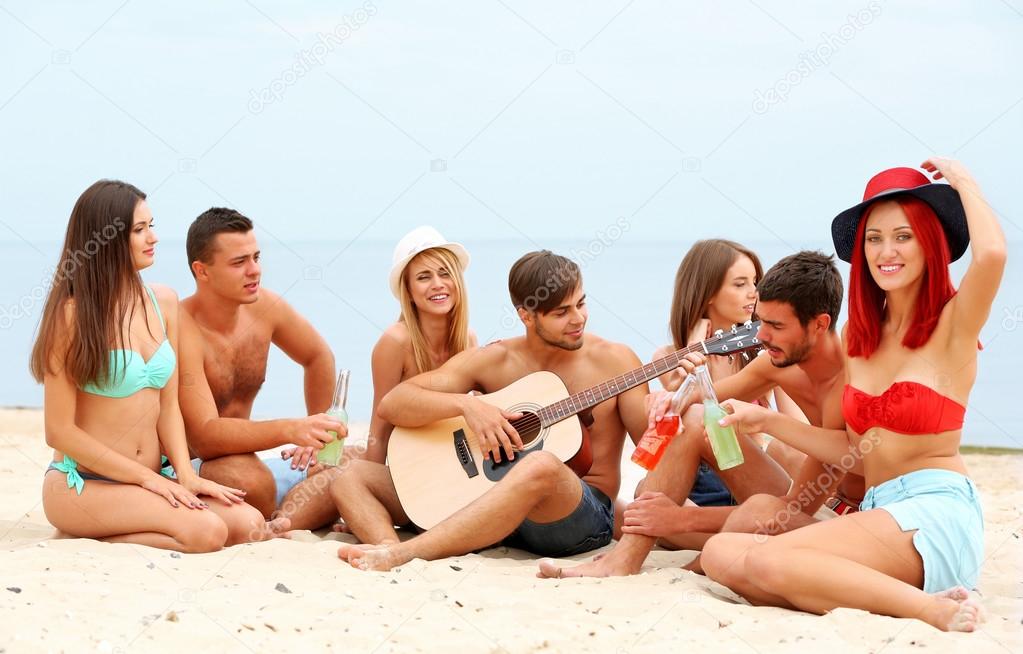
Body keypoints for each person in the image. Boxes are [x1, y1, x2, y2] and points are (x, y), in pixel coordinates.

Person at [701, 158, 1001, 632]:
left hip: (934, 509)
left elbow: (992, 258)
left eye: (904, 236)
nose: (888, 250)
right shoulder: (859, 341)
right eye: (875, 238)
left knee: (763, 564)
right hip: (880, 512)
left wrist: (962, 184)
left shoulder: (954, 325)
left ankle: (933, 610)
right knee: (721, 552)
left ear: (930, 243)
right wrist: (768, 422)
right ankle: (895, 595)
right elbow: (857, 454)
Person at [540, 250, 861, 577]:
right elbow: (707, 397)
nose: (761, 336)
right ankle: (625, 559)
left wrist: (681, 518)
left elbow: (798, 504)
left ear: (819, 325)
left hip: (845, 519)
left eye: (775, 326)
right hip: (804, 505)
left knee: (758, 510)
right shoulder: (775, 364)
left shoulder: (853, 382)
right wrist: (671, 399)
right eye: (761, 321)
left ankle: (687, 553)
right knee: (692, 418)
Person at [332, 250, 650, 570]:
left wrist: (680, 401)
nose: (578, 318)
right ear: (526, 315)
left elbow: (653, 450)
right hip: (487, 508)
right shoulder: (496, 359)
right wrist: (467, 405)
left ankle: (405, 553)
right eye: (561, 312)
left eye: (581, 304)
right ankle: (386, 546)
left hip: (576, 517)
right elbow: (394, 403)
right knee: (350, 474)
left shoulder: (617, 361)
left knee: (542, 464)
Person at [34, 180, 280, 552]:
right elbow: (60, 432)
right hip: (85, 483)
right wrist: (148, 481)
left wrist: (183, 474)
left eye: (151, 225)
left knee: (249, 524)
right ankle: (82, 531)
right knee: (206, 532)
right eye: (139, 230)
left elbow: (168, 407)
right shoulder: (71, 317)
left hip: (153, 475)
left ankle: (111, 527)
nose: (153, 238)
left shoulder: (163, 301)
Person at [176, 207, 343, 528]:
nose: (254, 271)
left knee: (351, 460)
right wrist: (290, 429)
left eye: (256, 257)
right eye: (239, 263)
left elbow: (318, 356)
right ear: (202, 271)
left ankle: (285, 519)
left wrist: (317, 440)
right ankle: (292, 508)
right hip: (196, 464)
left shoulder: (266, 307)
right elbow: (205, 436)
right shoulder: (182, 328)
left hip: (251, 456)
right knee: (252, 481)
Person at [648, 239, 793, 510]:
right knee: (639, 503)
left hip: (746, 479)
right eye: (740, 284)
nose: (754, 293)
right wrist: (694, 346)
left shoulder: (761, 357)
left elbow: (795, 432)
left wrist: (782, 369)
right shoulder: (666, 356)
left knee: (781, 453)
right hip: (697, 484)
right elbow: (676, 419)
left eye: (755, 282)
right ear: (707, 293)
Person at [364, 226, 477, 463]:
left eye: (445, 273)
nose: (437, 284)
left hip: (451, 463)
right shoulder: (395, 342)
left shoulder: (468, 340)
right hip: (408, 468)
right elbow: (379, 432)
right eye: (424, 277)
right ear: (409, 292)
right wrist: (370, 478)